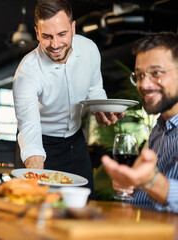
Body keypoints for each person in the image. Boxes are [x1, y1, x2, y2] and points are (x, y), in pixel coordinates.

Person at [12, 0, 123, 198]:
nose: (55, 45)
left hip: (75, 143)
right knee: (34, 208)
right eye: (47, 37)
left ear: (73, 28)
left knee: (85, 206)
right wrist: (35, 175)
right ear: (37, 33)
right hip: (39, 143)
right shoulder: (27, 72)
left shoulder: (89, 50)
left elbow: (95, 89)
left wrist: (103, 109)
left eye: (62, 34)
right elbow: (29, 128)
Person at [102, 32, 178, 213]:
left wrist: (151, 181)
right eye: (139, 75)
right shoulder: (160, 128)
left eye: (156, 73)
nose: (144, 85)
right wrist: (132, 183)